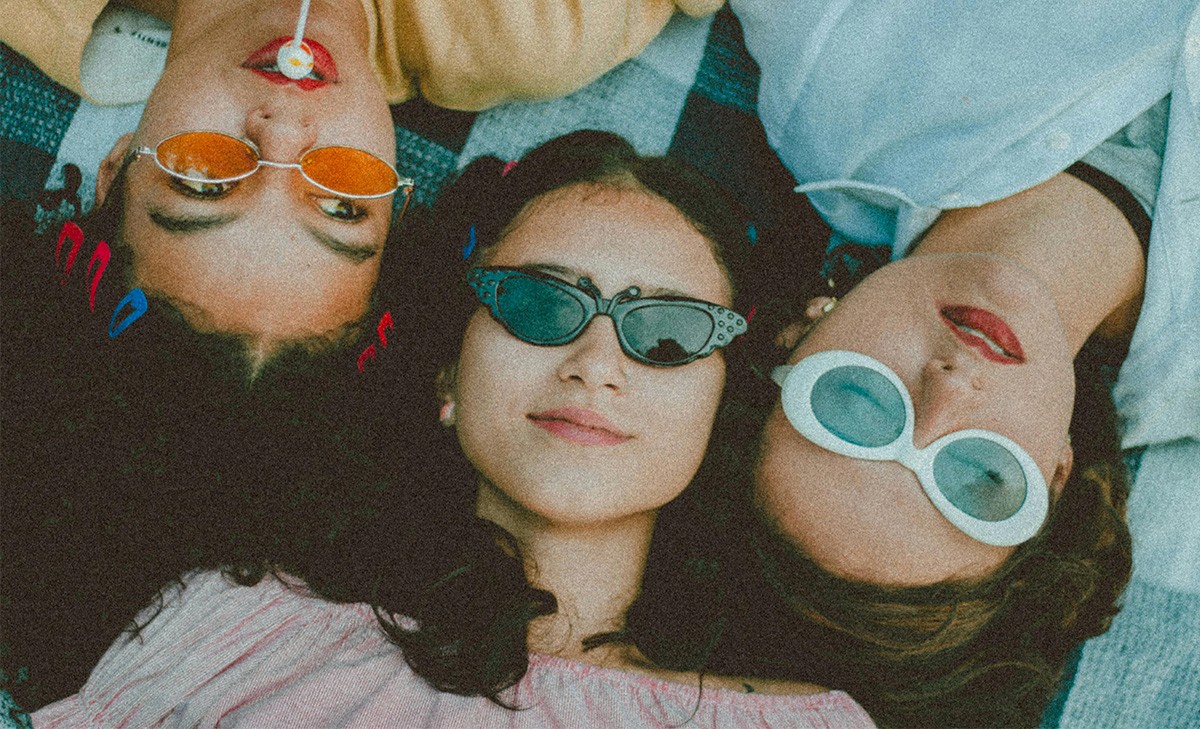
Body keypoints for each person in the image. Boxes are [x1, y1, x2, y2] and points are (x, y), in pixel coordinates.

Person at [31, 131, 875, 727]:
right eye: (541, 303)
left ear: (722, 402)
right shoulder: (232, 630)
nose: (596, 361)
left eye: (668, 331)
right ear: (447, 376)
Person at [622, 2, 1200, 726]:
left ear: (795, 336)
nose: (948, 391)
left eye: (857, 403)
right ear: (1057, 476)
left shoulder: (832, 81)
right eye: (981, 478)